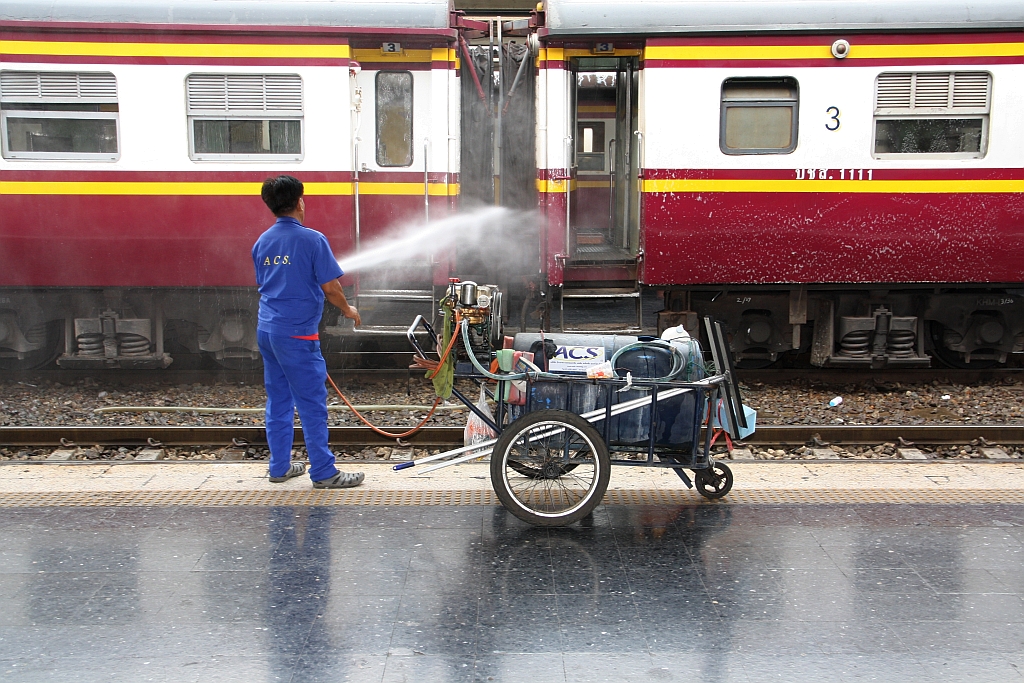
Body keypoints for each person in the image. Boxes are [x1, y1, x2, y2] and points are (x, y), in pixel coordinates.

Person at [252, 175, 364, 488]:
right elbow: (331, 287)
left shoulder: (262, 241)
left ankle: (279, 468)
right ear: (300, 201)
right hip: (297, 334)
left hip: (267, 330)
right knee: (312, 403)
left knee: (278, 399)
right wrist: (347, 309)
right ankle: (324, 473)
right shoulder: (312, 239)